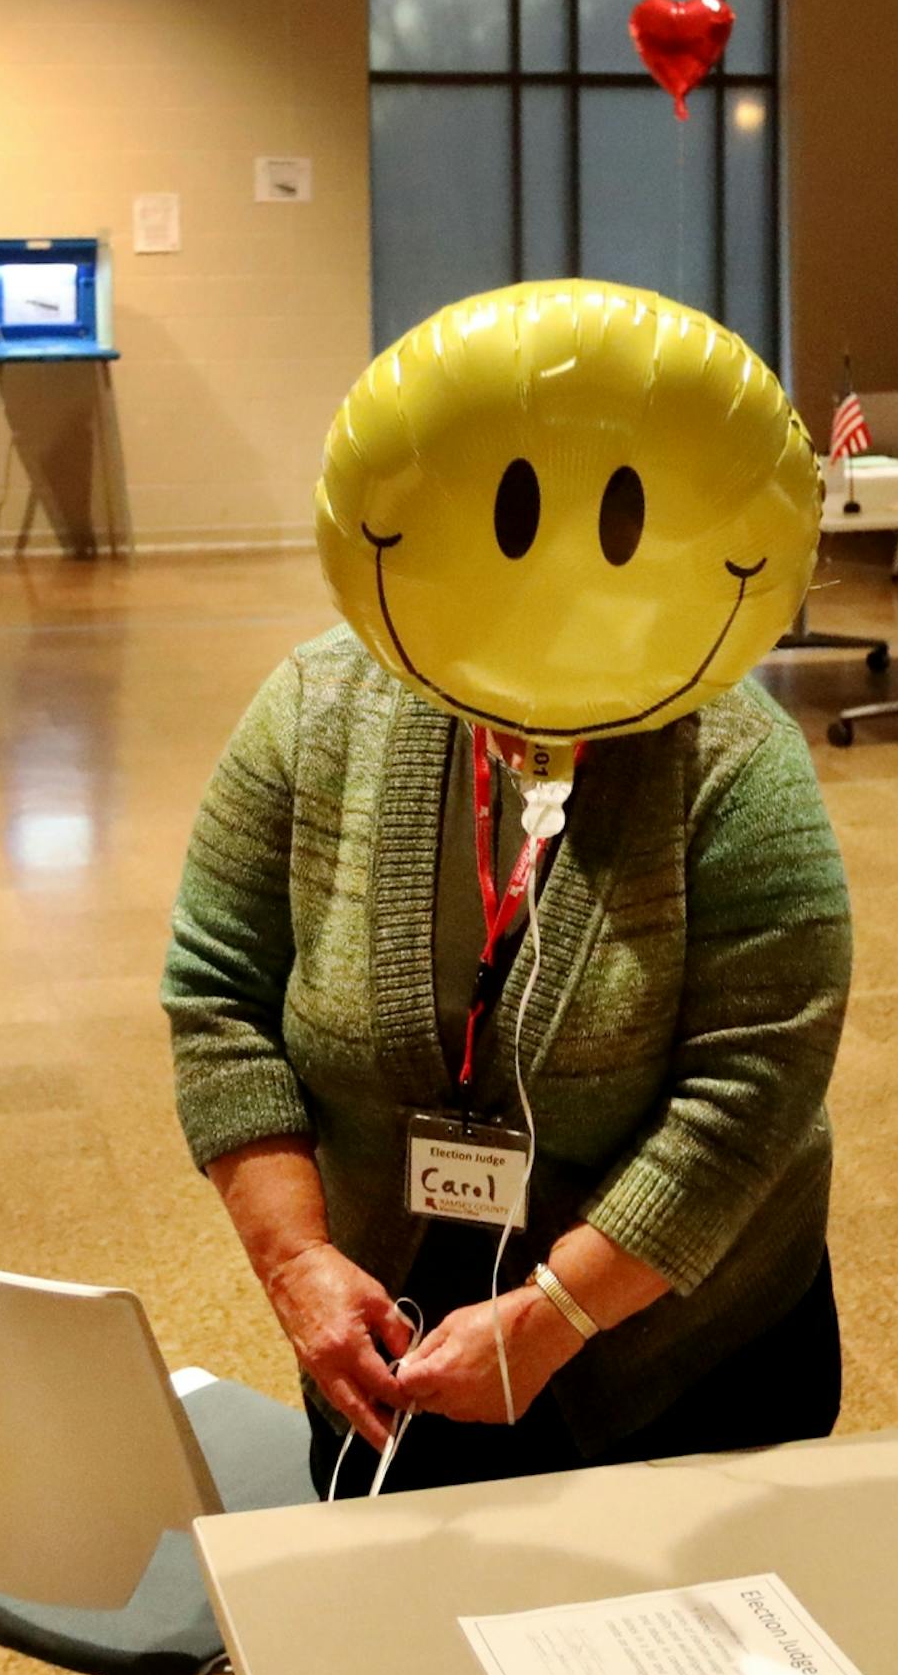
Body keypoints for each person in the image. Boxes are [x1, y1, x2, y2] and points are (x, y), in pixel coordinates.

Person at [161, 280, 852, 1498]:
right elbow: (219, 993)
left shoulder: (738, 761)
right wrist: (298, 1263)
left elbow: (753, 1089)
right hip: (393, 1344)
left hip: (688, 1355)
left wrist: (551, 1320)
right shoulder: (314, 711)